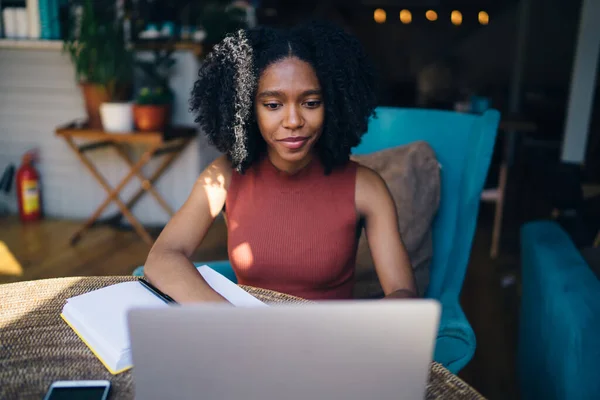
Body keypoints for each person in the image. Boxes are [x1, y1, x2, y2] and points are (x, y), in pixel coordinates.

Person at [144, 21, 417, 302]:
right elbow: (162, 257)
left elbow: (403, 292)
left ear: (334, 104)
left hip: (327, 340)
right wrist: (227, 318)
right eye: (273, 105)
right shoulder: (225, 176)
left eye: (310, 103)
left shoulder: (366, 187)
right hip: (246, 338)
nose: (293, 121)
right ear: (247, 109)